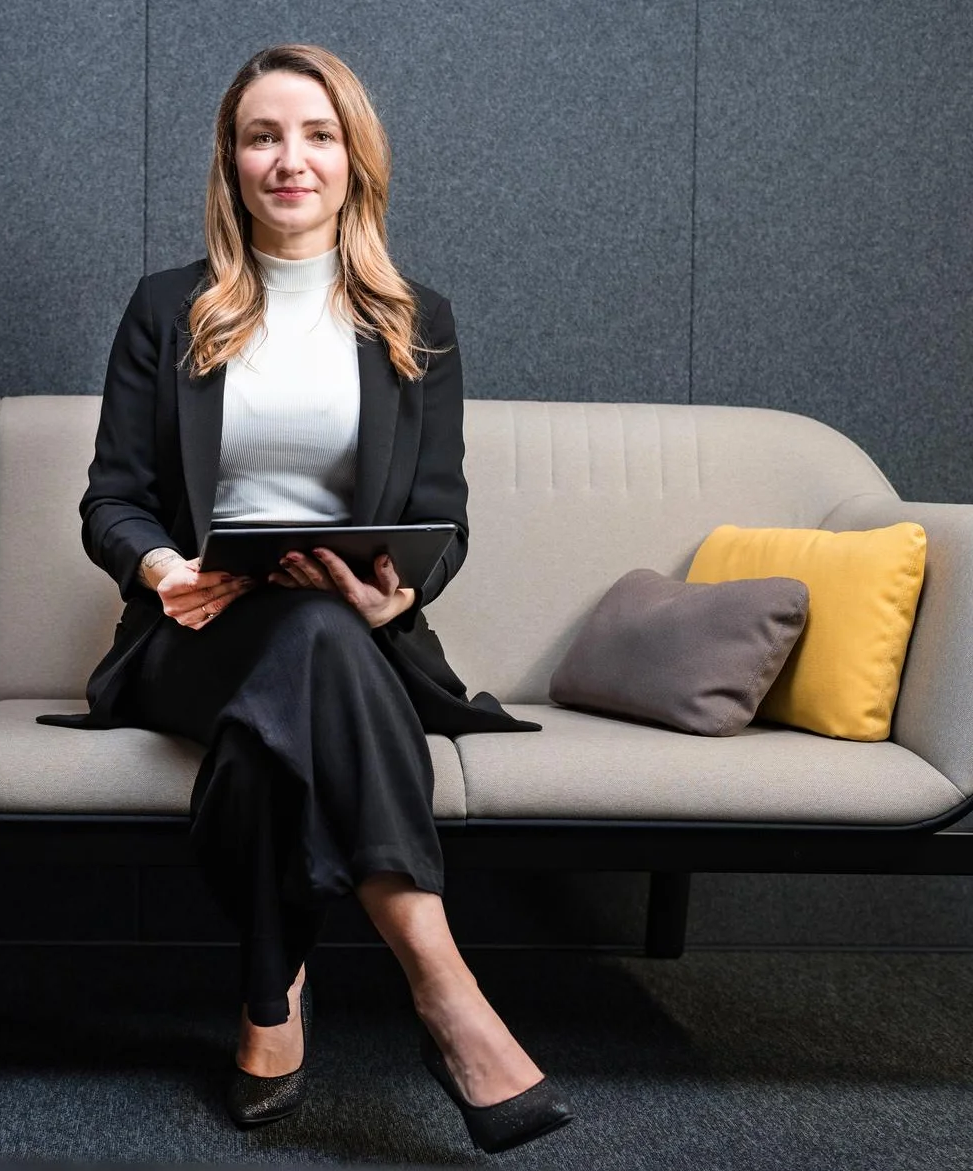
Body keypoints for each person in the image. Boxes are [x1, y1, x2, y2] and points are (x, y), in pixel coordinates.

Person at [36, 43, 573, 1154]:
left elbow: (442, 516)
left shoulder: (416, 319)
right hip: (194, 633)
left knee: (309, 660)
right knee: (306, 651)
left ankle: (269, 999)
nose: (291, 159)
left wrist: (396, 595)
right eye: (264, 136)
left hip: (345, 633)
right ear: (231, 163)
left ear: (354, 158)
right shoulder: (165, 309)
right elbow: (112, 500)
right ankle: (446, 989)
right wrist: (163, 570)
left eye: (317, 135)